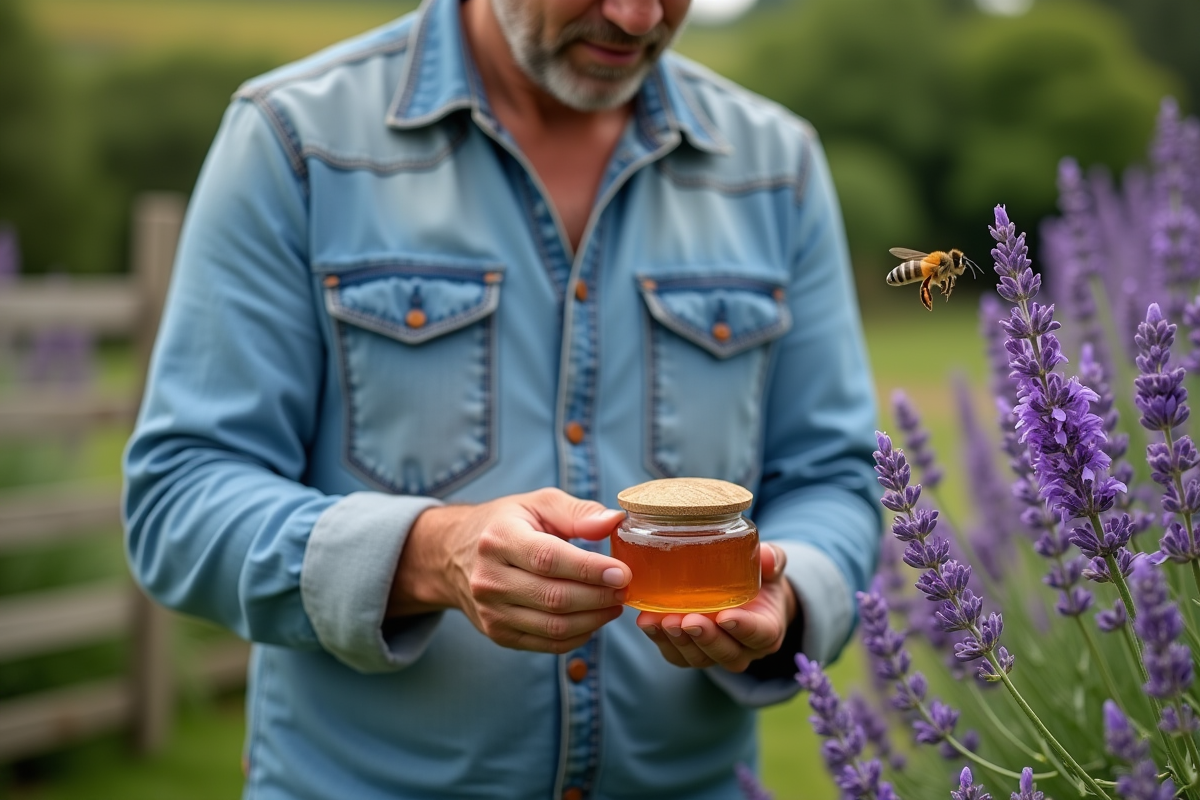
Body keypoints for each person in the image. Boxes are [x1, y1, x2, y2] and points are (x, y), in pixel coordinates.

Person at [122, 0, 882, 796]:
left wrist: (786, 598)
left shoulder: (778, 165)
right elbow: (180, 496)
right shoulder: (293, 139)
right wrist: (429, 555)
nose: (635, 16)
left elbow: (836, 477)